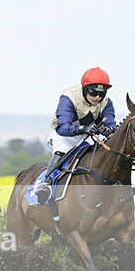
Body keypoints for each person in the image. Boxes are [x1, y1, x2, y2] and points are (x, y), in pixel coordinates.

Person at [34, 67, 118, 204]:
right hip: (64, 135)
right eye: (93, 92)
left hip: (88, 136)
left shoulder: (107, 102)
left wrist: (109, 129)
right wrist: (83, 128)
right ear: (84, 88)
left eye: (101, 93)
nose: (97, 97)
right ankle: (46, 183)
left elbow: (110, 122)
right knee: (63, 147)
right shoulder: (69, 96)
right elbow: (62, 127)